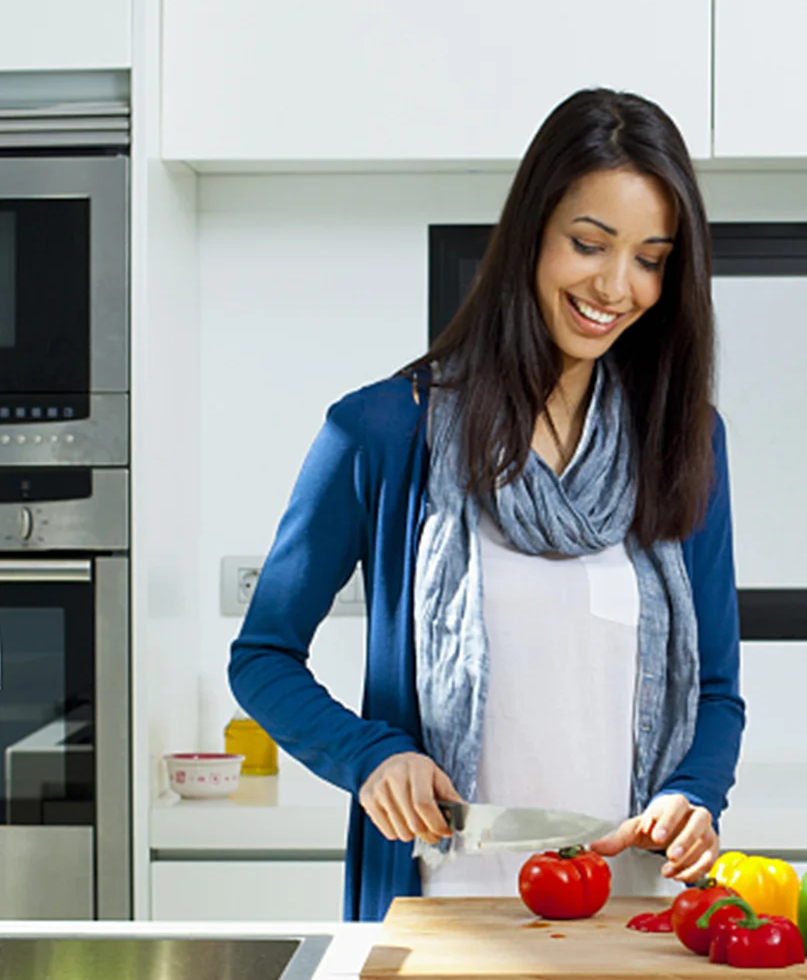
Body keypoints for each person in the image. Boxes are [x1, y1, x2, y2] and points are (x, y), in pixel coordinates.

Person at [229, 88, 744, 920]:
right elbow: (261, 658)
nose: (617, 286)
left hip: (633, 913)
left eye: (651, 258)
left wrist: (695, 791)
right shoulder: (384, 431)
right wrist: (371, 756)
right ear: (531, 233)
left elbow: (715, 686)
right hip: (442, 905)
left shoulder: (682, 440)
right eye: (589, 244)